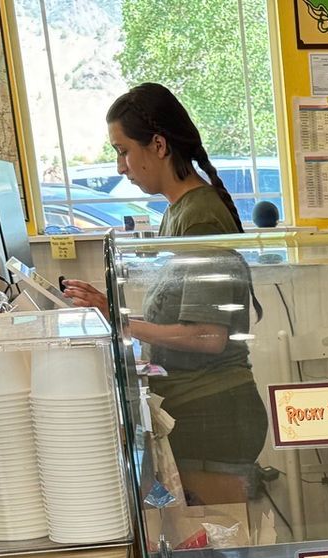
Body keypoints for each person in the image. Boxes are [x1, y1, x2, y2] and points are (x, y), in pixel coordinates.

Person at [60, 82, 268, 468]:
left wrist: (120, 320)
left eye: (123, 151)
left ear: (158, 146)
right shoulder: (176, 212)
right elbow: (177, 321)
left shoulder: (199, 216)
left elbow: (209, 336)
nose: (120, 167)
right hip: (195, 405)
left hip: (215, 414)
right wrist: (108, 312)